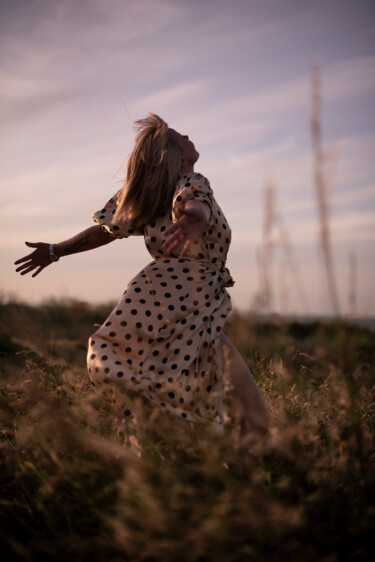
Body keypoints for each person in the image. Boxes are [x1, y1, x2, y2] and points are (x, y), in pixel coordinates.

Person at [15, 114, 269, 443]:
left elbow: (107, 231)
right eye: (180, 136)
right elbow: (194, 203)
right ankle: (229, 463)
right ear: (173, 156)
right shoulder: (190, 182)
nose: (189, 135)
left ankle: (170, 454)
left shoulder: (163, 196)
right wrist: (195, 220)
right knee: (246, 410)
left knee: (181, 387)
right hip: (178, 298)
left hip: (170, 300)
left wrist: (55, 250)